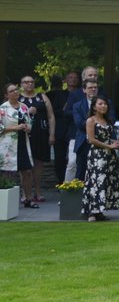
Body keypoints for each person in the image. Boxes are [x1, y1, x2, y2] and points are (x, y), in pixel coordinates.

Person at [81, 97, 119, 221]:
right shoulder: (90, 120)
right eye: (100, 104)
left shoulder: (107, 120)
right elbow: (91, 139)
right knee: (95, 181)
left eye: (105, 104)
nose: (103, 106)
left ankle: (100, 211)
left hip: (109, 156)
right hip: (97, 155)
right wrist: (109, 146)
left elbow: (108, 137)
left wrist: (115, 143)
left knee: (106, 181)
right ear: (94, 107)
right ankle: (92, 212)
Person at [17, 76, 53, 204]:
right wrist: (28, 112)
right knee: (24, 165)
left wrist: (52, 134)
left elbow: (51, 116)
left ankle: (38, 192)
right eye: (26, 82)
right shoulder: (18, 99)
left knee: (38, 163)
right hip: (23, 135)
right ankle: (25, 194)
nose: (29, 84)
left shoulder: (42, 97)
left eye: (32, 82)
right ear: (21, 84)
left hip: (41, 133)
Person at [2, 84, 35, 207]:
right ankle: (7, 202)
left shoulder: (24, 107)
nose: (15, 92)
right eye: (11, 91)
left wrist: (27, 127)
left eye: (16, 89)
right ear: (6, 95)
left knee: (27, 171)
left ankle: (28, 199)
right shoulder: (3, 109)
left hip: (23, 143)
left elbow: (30, 123)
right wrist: (16, 127)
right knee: (8, 172)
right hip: (8, 145)